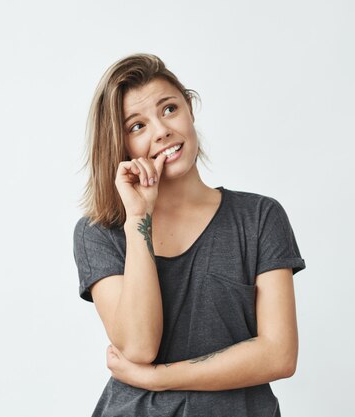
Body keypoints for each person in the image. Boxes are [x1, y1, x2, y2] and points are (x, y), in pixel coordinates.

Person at [72, 53, 306, 417]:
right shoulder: (100, 233)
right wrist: (138, 218)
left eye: (169, 109)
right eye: (137, 126)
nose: (162, 130)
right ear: (120, 145)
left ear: (190, 109)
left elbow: (279, 354)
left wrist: (157, 379)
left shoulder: (259, 218)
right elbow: (138, 347)